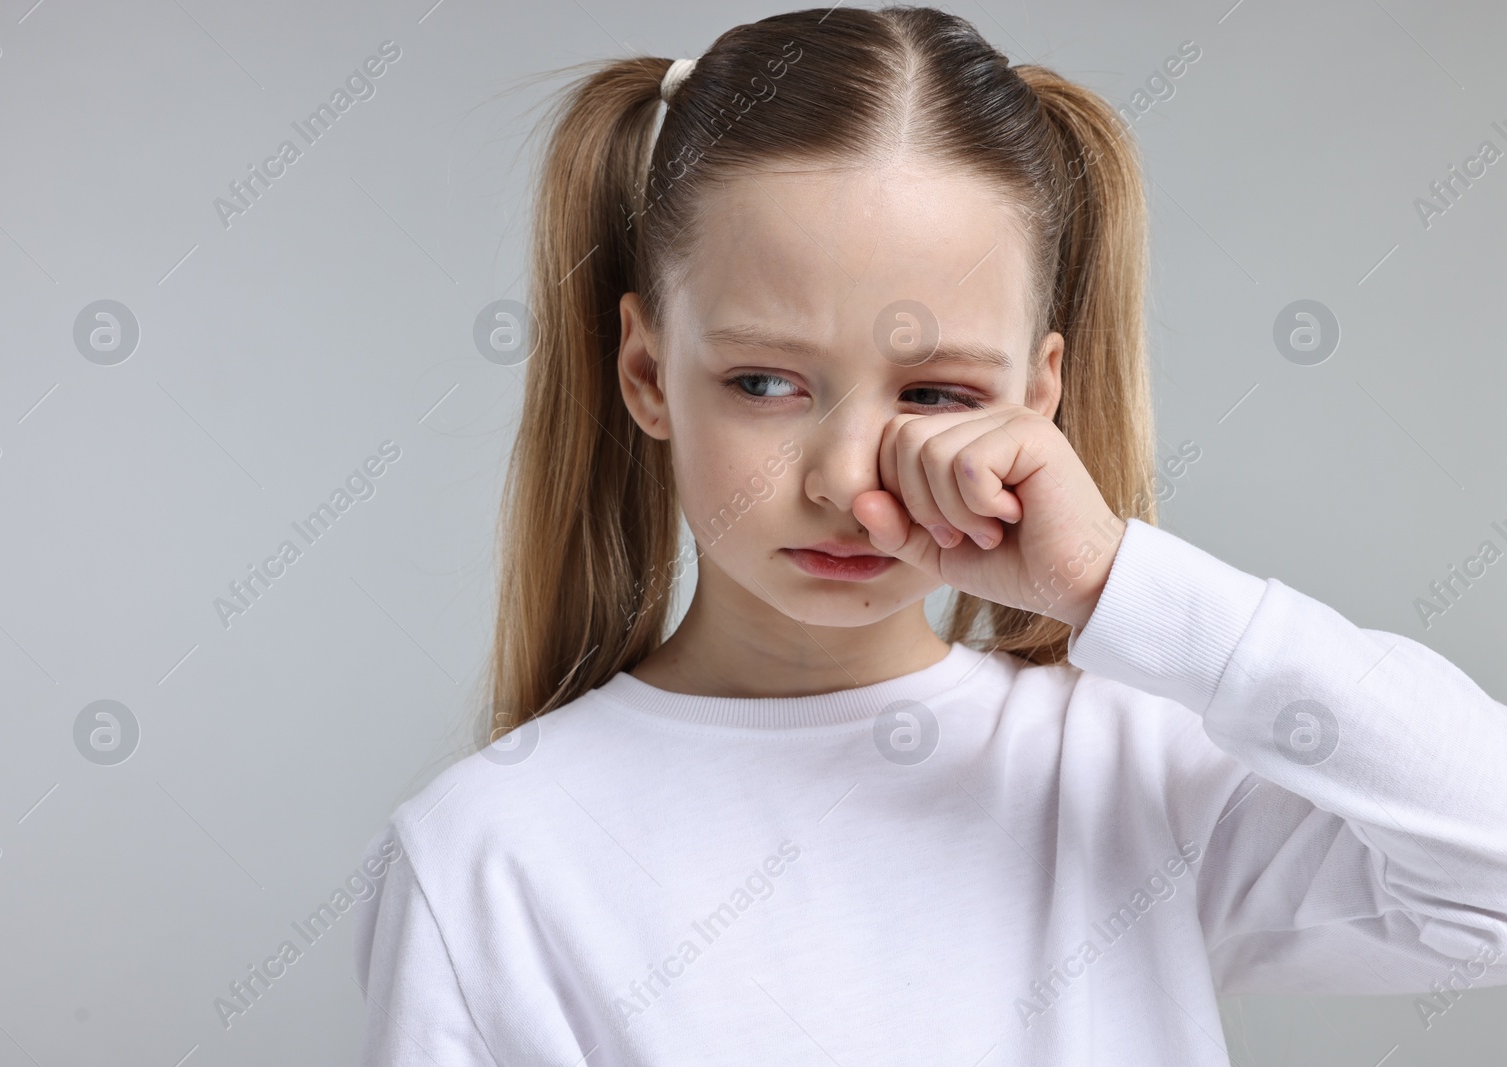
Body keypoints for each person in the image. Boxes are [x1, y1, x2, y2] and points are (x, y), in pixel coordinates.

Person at [351, 6, 1507, 1063]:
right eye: (763, 381)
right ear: (648, 372)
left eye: (938, 393)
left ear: (1038, 392)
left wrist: (1113, 581)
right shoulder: (490, 854)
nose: (850, 479)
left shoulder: (1130, 772)